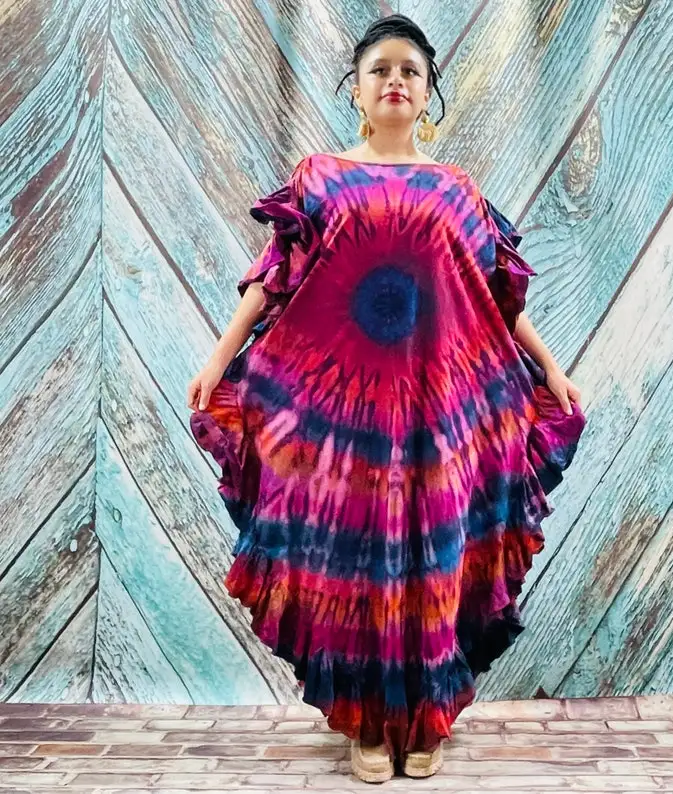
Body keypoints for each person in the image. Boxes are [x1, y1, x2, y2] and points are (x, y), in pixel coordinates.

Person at [186, 12, 586, 785]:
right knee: (356, 566)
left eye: (410, 70)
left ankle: (427, 718)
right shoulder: (320, 180)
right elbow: (274, 278)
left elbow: (496, 296)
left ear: (429, 94)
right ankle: (367, 724)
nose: (396, 80)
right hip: (345, 422)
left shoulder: (457, 191)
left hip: (440, 411)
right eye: (380, 69)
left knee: (435, 559)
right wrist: (219, 358)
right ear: (358, 93)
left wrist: (551, 369)